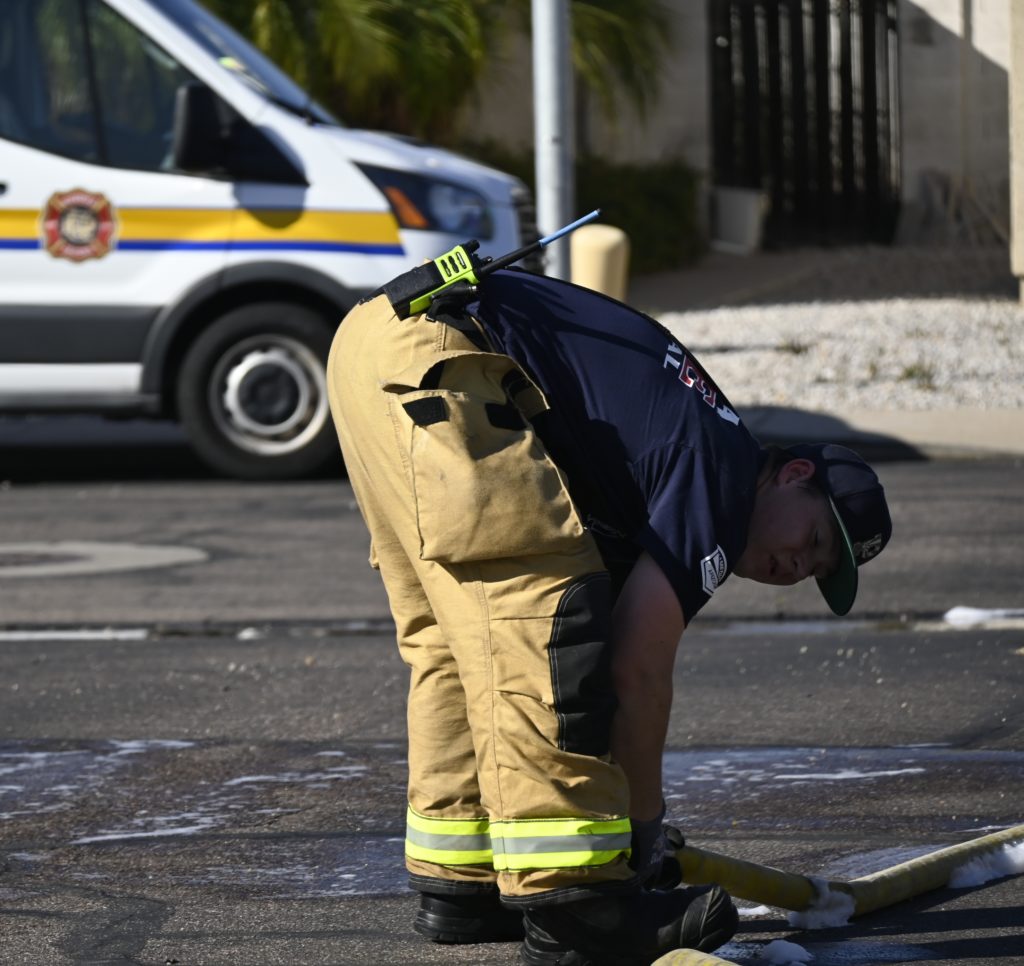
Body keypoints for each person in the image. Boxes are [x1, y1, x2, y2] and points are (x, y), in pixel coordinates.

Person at [326, 266, 892, 966]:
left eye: (816, 571)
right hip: (441, 357)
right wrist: (643, 828)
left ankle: (464, 883)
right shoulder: (722, 477)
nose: (797, 566)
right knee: (543, 624)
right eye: (813, 539)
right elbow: (637, 669)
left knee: (457, 641)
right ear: (795, 475)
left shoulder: (693, 448)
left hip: (376, 345)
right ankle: (578, 909)